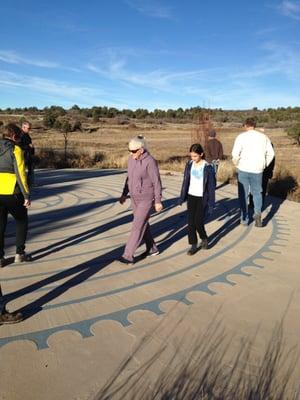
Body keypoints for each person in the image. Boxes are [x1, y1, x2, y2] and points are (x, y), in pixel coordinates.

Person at [0, 123, 32, 325]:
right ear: (14, 136)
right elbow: (21, 173)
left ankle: (1, 256)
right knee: (22, 219)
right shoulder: (16, 149)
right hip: (12, 192)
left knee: (0, 223)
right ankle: (20, 252)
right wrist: (26, 195)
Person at [119, 136, 163, 265]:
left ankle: (128, 255)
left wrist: (158, 201)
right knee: (143, 224)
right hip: (134, 198)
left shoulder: (150, 162)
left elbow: (156, 182)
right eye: (129, 150)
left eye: (133, 151)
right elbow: (129, 178)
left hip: (146, 199)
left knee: (137, 226)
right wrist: (124, 194)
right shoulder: (131, 160)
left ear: (141, 150)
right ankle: (153, 248)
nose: (130, 153)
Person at [232, 118, 275, 227]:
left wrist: (237, 164)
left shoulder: (241, 137)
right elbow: (271, 154)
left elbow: (235, 154)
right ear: (254, 125)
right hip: (257, 170)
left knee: (243, 194)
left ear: (245, 125)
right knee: (257, 193)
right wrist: (264, 164)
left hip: (243, 169)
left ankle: (244, 219)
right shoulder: (263, 137)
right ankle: (257, 215)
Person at [179, 143, 216, 255]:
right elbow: (186, 181)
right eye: (191, 156)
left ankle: (204, 238)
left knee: (198, 222)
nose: (193, 158)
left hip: (202, 198)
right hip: (191, 196)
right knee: (190, 223)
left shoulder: (208, 167)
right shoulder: (189, 164)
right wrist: (182, 197)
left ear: (201, 154)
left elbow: (211, 187)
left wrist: (211, 203)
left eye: (195, 156)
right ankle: (193, 245)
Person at [20, 121, 35, 187]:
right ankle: (25, 183)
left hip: (28, 154)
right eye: (28, 128)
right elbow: (19, 145)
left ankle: (30, 183)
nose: (29, 130)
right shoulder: (21, 135)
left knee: (31, 169)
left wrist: (32, 150)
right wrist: (28, 146)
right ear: (23, 127)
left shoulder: (26, 134)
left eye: (30, 128)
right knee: (23, 170)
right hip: (24, 155)